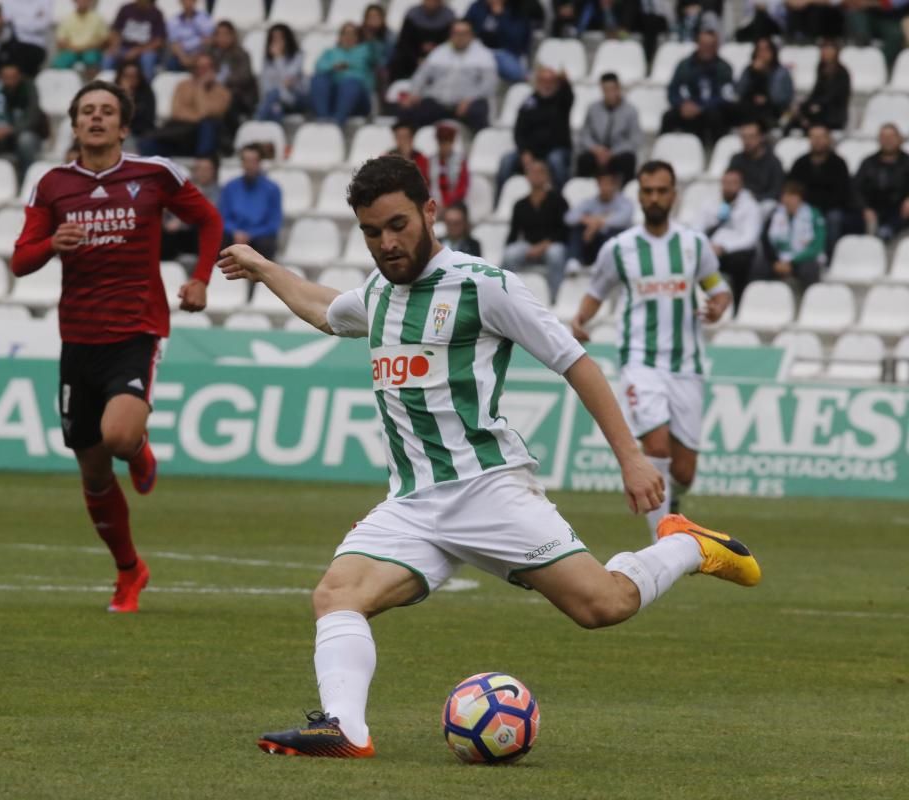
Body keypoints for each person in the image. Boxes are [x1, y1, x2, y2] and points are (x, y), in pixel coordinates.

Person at [215, 153, 760, 759]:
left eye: (398, 225)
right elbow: (323, 308)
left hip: (489, 489)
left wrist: (630, 457)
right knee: (336, 595)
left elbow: (574, 361)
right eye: (372, 232)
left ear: (429, 212)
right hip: (413, 503)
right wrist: (265, 267)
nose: (387, 243)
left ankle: (687, 544)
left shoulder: (483, 285)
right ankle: (345, 728)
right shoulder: (377, 293)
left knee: (602, 605)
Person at [12, 80, 224, 613]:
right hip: (77, 340)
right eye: (87, 111)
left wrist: (200, 279)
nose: (97, 119)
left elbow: (209, 219)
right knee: (93, 471)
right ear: (75, 124)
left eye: (107, 111)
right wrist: (48, 245)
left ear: (123, 125)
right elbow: (19, 260)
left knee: (118, 434)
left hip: (135, 330)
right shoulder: (52, 185)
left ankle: (137, 445)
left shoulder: (154, 174)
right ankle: (130, 570)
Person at [572, 161, 734, 541]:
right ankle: (664, 541)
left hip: (687, 366)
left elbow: (717, 287)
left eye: (662, 191)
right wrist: (580, 321)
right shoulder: (620, 248)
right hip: (640, 362)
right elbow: (597, 291)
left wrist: (719, 305)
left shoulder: (694, 245)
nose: (655, 198)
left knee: (684, 472)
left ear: (674, 195)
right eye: (648, 191)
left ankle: (672, 507)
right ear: (640, 195)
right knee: (656, 445)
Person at [398, 20, 497, 133]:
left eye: (464, 33)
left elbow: (489, 85)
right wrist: (414, 93)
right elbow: (421, 76)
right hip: (438, 102)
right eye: (456, 33)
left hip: (468, 103)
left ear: (471, 35)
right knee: (409, 112)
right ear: (451, 35)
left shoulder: (483, 55)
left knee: (478, 112)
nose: (460, 37)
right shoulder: (439, 52)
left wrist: (470, 100)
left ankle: (478, 146)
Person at [496, 67, 574, 195]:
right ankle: (498, 201)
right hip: (531, 152)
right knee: (507, 161)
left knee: (556, 160)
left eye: (550, 81)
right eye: (543, 81)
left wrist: (564, 82)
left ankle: (561, 199)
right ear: (537, 82)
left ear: (556, 83)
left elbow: (569, 96)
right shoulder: (528, 103)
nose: (547, 84)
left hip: (556, 150)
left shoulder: (562, 101)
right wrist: (524, 152)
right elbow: (519, 132)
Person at [503, 159, 569, 301]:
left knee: (556, 254)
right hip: (529, 245)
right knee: (510, 254)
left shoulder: (559, 201)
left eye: (540, 172)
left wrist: (544, 245)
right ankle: (508, 296)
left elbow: (564, 231)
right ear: (526, 176)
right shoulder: (520, 204)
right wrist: (514, 247)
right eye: (532, 172)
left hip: (551, 244)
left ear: (547, 176)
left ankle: (555, 298)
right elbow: (513, 234)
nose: (536, 176)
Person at [142, 52, 230, 157]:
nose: (203, 71)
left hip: (204, 137)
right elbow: (176, 112)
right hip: (181, 132)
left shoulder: (222, 92)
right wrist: (199, 116)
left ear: (214, 69)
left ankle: (203, 163)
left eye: (207, 67)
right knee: (147, 141)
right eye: (200, 67)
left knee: (208, 125)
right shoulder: (183, 86)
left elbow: (206, 113)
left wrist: (200, 87)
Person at [693, 168, 762, 300]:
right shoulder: (711, 202)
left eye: (733, 183)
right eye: (726, 182)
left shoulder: (750, 206)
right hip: (711, 248)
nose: (729, 187)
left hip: (736, 252)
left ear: (741, 185)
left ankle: (736, 302)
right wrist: (708, 246)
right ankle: (700, 300)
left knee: (741, 262)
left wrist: (724, 248)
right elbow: (697, 228)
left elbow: (750, 239)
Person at [661, 24, 733, 146]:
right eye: (704, 45)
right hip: (687, 106)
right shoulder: (684, 65)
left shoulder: (724, 68)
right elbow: (673, 90)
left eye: (711, 46)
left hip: (711, 108)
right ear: (698, 44)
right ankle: (663, 149)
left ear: (716, 47)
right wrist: (682, 104)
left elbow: (726, 95)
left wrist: (702, 107)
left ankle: (716, 151)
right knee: (668, 117)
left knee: (716, 116)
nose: (707, 49)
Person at [0, 60, 45, 179]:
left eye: (12, 77)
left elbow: (32, 118)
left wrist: (11, 130)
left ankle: (26, 179)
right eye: (5, 77)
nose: (9, 81)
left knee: (25, 141)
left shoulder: (29, 89)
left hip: (22, 134)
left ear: (20, 76)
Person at [788, 124, 853, 254]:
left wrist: (818, 209)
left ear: (828, 139)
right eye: (813, 137)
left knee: (834, 218)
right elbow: (792, 188)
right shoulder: (800, 163)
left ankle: (830, 257)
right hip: (804, 207)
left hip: (829, 208)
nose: (817, 140)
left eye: (821, 137)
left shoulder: (838, 163)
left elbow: (842, 192)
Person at [575, 72, 643, 186]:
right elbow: (585, 134)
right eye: (606, 90)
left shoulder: (631, 111)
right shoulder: (593, 108)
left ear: (618, 88)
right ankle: (583, 191)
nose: (609, 93)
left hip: (618, 153)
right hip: (597, 152)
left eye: (612, 89)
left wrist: (612, 153)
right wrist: (596, 149)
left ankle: (626, 192)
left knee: (628, 159)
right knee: (583, 160)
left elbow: (635, 139)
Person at [219, 144, 282, 260]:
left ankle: (259, 277)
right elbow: (223, 218)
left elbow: (273, 223)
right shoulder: (230, 187)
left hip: (259, 237)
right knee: (217, 238)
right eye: (246, 161)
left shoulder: (272, 189)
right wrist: (235, 232)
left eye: (253, 161)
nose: (249, 165)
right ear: (242, 163)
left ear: (259, 163)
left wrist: (251, 234)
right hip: (233, 235)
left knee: (266, 243)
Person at [563, 168, 632, 271]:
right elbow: (568, 217)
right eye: (602, 184)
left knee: (614, 232)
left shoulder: (624, 202)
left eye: (608, 184)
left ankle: (602, 262)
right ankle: (573, 260)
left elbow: (623, 219)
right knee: (577, 229)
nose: (605, 188)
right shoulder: (590, 201)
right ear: (598, 185)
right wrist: (588, 221)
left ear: (614, 186)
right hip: (591, 242)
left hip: (612, 245)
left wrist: (597, 223)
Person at [760, 180, 825, 288]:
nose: (788, 200)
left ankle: (810, 301)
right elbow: (765, 240)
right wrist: (775, 261)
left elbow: (817, 246)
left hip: (803, 259)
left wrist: (792, 261)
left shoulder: (814, 214)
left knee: (809, 269)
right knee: (759, 266)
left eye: (792, 196)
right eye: (786, 195)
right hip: (779, 259)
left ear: (800, 198)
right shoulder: (775, 214)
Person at [311, 23, 375, 128]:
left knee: (350, 84)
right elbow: (319, 66)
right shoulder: (330, 52)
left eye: (352, 34)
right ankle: (323, 120)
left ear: (357, 37)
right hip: (334, 95)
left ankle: (336, 124)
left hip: (358, 99)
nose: (348, 37)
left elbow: (376, 58)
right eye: (345, 33)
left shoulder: (365, 50)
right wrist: (333, 67)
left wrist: (371, 40)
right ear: (340, 36)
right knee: (319, 79)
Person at [464, 0, 542, 84]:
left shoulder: (517, 10)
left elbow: (516, 41)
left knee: (516, 73)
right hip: (477, 49)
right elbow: (464, 27)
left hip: (504, 52)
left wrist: (500, 16)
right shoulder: (477, 7)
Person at [855, 124, 909, 242]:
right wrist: (865, 208)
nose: (887, 140)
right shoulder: (868, 162)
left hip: (900, 210)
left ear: (899, 139)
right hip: (873, 209)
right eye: (883, 137)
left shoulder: (907, 162)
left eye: (891, 136)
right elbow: (856, 189)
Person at [785, 39, 849, 133]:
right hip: (820, 109)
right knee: (794, 117)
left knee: (809, 119)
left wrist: (815, 106)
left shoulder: (842, 73)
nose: (826, 53)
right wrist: (804, 105)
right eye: (824, 50)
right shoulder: (821, 69)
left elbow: (833, 98)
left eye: (829, 50)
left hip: (833, 113)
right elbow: (816, 92)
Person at [729, 36, 792, 131]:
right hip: (749, 108)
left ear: (773, 52)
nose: (763, 54)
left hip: (772, 110)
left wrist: (766, 99)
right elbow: (739, 91)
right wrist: (754, 73)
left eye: (766, 50)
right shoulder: (749, 70)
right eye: (759, 50)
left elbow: (781, 98)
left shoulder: (781, 72)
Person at [162, 155, 218, 261]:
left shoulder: (217, 191)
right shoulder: (185, 188)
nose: (202, 172)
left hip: (195, 231)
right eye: (199, 169)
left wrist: (180, 221)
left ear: (213, 171)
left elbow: (208, 212)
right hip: (176, 231)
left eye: (206, 169)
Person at [389, 0, 456, 81]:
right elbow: (403, 42)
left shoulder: (449, 16)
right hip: (412, 58)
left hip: (439, 59)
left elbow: (450, 42)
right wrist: (416, 59)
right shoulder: (412, 14)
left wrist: (433, 56)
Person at [727, 121, 784, 215]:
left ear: (761, 137)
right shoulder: (736, 159)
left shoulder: (774, 162)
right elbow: (730, 183)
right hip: (738, 203)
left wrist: (755, 198)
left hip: (762, 203)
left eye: (751, 137)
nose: (747, 141)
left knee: (768, 206)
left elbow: (776, 191)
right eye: (744, 137)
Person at [103, 0, 165, 80]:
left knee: (148, 58)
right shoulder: (126, 9)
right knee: (108, 57)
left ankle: (147, 87)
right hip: (123, 48)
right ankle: (106, 85)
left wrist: (137, 51)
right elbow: (115, 31)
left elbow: (158, 41)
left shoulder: (157, 14)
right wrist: (114, 46)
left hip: (144, 50)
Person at [256, 24, 306, 123]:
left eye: (280, 38)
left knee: (274, 96)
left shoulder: (297, 56)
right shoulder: (267, 60)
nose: (277, 42)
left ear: (287, 39)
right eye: (274, 39)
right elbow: (266, 85)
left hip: (295, 98)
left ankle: (257, 121)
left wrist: (279, 58)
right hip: (275, 101)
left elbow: (287, 80)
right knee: (276, 109)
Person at [207, 20, 257, 118]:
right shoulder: (211, 54)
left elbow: (244, 77)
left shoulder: (242, 54)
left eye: (225, 34)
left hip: (240, 96)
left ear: (233, 36)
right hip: (216, 94)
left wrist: (220, 80)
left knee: (227, 99)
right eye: (218, 34)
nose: (222, 38)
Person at [52, 0, 107, 74]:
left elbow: (104, 39)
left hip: (91, 50)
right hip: (71, 50)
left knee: (91, 59)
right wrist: (73, 48)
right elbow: (61, 41)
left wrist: (87, 47)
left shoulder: (98, 18)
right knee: (60, 62)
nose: (82, 2)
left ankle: (93, 83)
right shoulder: (67, 18)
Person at [0, 0, 49, 74]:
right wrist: (32, 19)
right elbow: (5, 21)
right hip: (13, 44)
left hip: (36, 46)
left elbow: (43, 24)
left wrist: (16, 20)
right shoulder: (7, 2)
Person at [427, 122, 468, 207]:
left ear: (452, 142)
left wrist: (448, 203)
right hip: (434, 204)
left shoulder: (460, 162)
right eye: (441, 142)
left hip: (455, 204)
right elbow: (427, 185)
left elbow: (462, 188)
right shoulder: (430, 161)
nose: (444, 146)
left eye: (447, 142)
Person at [115, 60, 154, 147]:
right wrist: (125, 93)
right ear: (120, 77)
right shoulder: (112, 94)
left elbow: (147, 120)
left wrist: (129, 95)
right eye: (127, 76)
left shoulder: (147, 93)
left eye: (134, 76)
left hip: (140, 133)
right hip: (117, 133)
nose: (131, 79)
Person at [166, 0, 213, 72]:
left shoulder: (204, 18)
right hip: (181, 57)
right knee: (171, 64)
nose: (188, 2)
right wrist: (184, 58)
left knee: (205, 61)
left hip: (200, 54)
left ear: (195, 1)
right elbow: (174, 43)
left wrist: (196, 57)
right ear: (180, 2)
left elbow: (208, 40)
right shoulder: (173, 21)